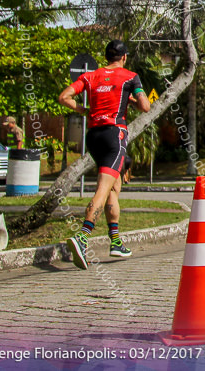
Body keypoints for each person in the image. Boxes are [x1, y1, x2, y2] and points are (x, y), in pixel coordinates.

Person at [58, 40, 150, 268]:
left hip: (93, 136)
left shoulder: (90, 76)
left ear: (106, 57)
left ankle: (116, 241)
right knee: (103, 187)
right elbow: (145, 106)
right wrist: (131, 99)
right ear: (124, 57)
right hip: (114, 135)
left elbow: (64, 97)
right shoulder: (130, 76)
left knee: (113, 186)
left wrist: (82, 110)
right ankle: (82, 236)